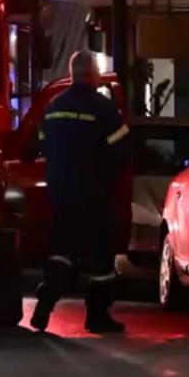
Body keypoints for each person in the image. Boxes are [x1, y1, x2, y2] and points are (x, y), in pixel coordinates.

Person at [29, 50, 131, 334]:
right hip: (95, 196)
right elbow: (122, 152)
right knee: (101, 258)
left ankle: (45, 303)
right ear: (91, 74)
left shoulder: (54, 107)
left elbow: (35, 147)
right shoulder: (103, 108)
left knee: (61, 251)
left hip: (61, 194)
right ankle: (97, 316)